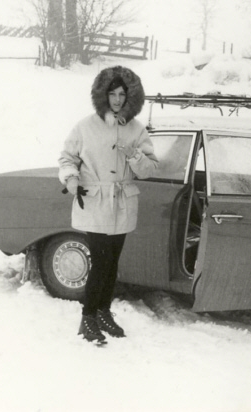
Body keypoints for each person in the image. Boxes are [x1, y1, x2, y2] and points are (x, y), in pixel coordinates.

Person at [58, 66, 158, 344]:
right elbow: (67, 158)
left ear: (130, 97)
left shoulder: (137, 129)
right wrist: (71, 178)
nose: (117, 99)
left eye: (122, 94)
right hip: (95, 203)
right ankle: (88, 317)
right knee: (101, 262)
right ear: (103, 95)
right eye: (112, 94)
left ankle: (103, 312)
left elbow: (149, 169)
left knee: (112, 263)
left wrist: (134, 155)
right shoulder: (85, 126)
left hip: (123, 205)